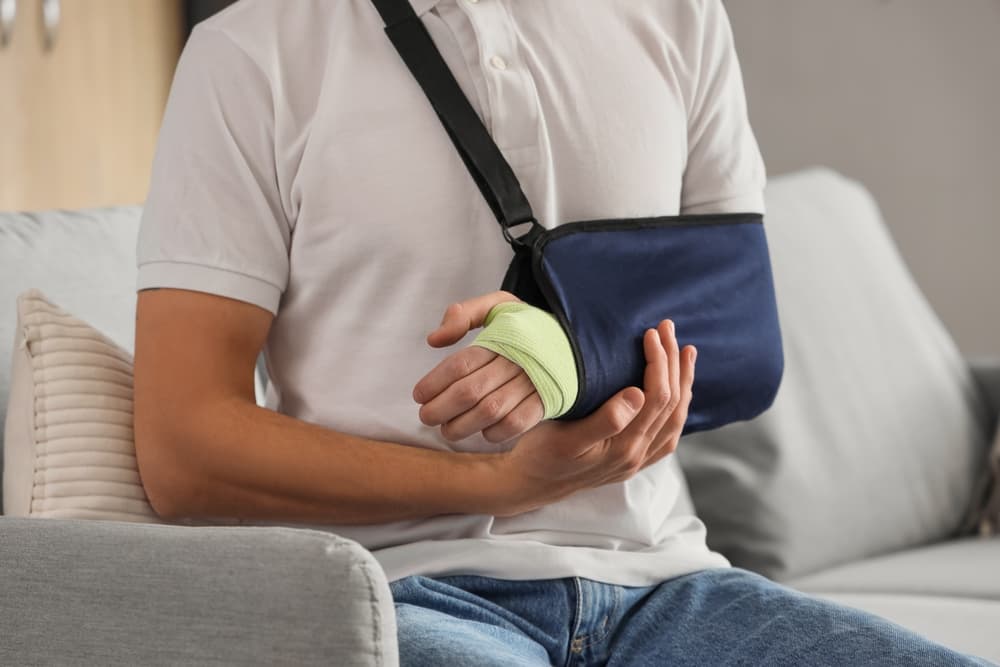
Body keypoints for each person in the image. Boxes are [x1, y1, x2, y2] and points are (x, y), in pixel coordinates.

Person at [132, 1, 993, 664]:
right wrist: (497, 484)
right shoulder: (252, 52)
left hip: (667, 586)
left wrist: (564, 356)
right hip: (399, 590)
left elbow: (738, 334)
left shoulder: (676, 16)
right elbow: (182, 448)